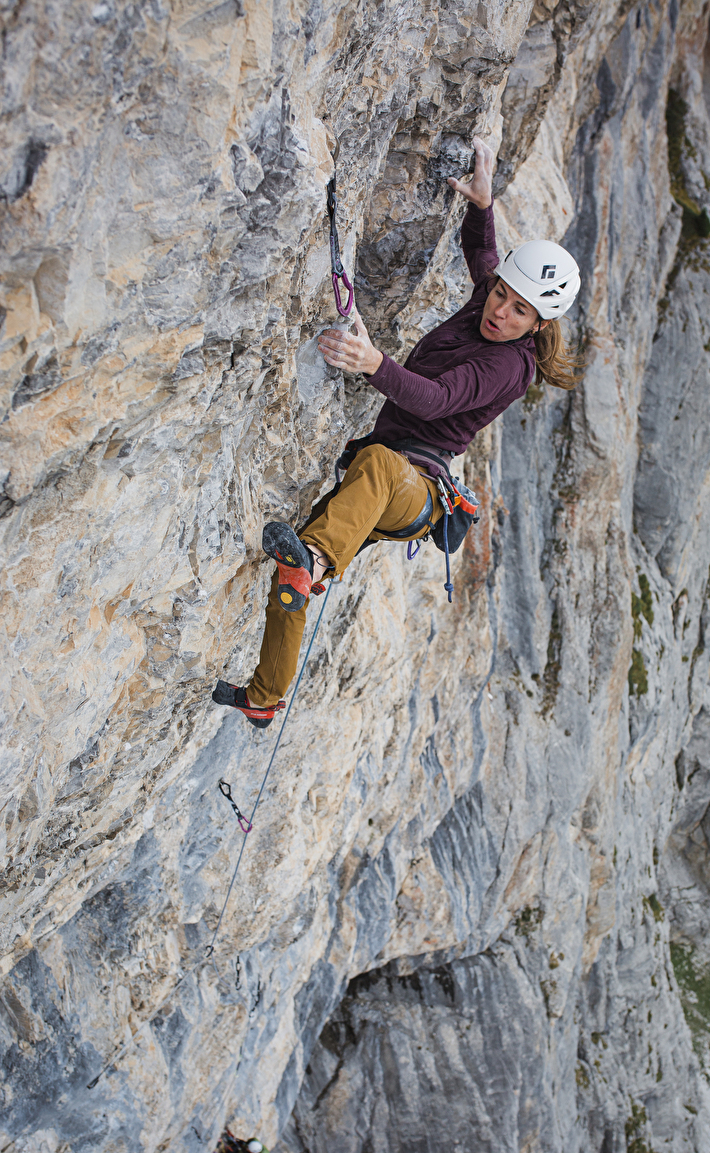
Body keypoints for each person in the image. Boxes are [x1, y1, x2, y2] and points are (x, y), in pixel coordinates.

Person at [212, 137, 582, 728]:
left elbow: (435, 402)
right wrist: (482, 205)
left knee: (376, 471)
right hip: (382, 472)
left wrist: (371, 363)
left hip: (415, 488)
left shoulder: (508, 366)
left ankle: (313, 558)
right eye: (502, 296)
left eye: (518, 311)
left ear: (538, 325)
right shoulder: (489, 301)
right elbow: (482, 258)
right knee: (296, 577)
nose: (499, 311)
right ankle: (265, 696)